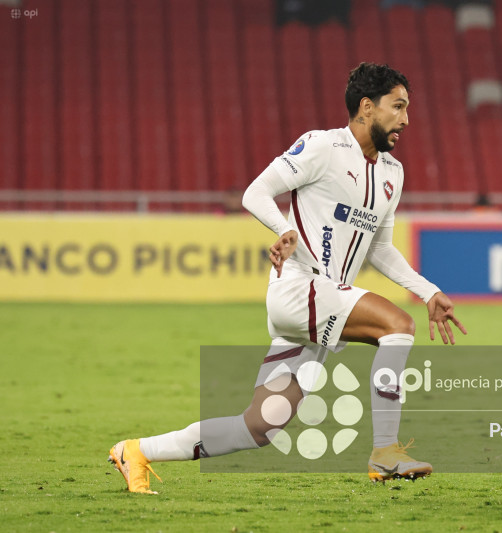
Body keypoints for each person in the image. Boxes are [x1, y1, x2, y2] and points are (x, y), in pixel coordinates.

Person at [107, 63, 468, 494]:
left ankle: (136, 451)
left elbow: (379, 249)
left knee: (260, 425)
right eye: (398, 106)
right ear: (367, 107)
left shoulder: (393, 172)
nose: (406, 119)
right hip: (301, 289)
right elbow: (255, 192)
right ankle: (386, 452)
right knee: (398, 326)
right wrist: (284, 230)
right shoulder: (322, 146)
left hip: (323, 304)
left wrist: (428, 291)